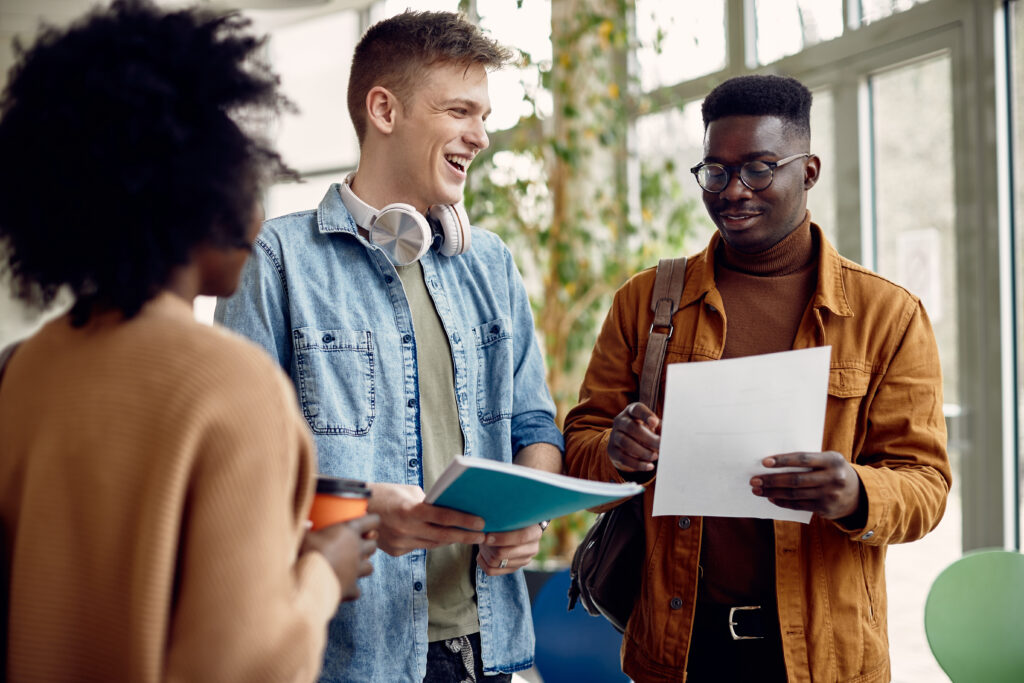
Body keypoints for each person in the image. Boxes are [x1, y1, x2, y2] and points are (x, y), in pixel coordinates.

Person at [0, 1, 379, 680]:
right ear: (197, 198)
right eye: (248, 181)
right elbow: (235, 665)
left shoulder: (28, 368)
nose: (260, 214)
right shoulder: (233, 384)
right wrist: (323, 572)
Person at [563, 74, 951, 682]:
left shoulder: (886, 315)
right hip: (679, 649)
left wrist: (854, 493)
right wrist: (618, 451)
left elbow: (926, 485)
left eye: (760, 169)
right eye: (714, 172)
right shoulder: (647, 302)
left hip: (823, 655)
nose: (733, 191)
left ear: (810, 171)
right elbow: (580, 446)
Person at [215, 10, 564, 683]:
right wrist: (361, 508)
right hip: (347, 657)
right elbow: (242, 469)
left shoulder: (489, 261)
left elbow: (533, 423)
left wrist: (534, 515)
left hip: (487, 652)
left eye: (484, 114)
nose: (482, 136)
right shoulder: (277, 259)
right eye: (460, 111)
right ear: (384, 109)